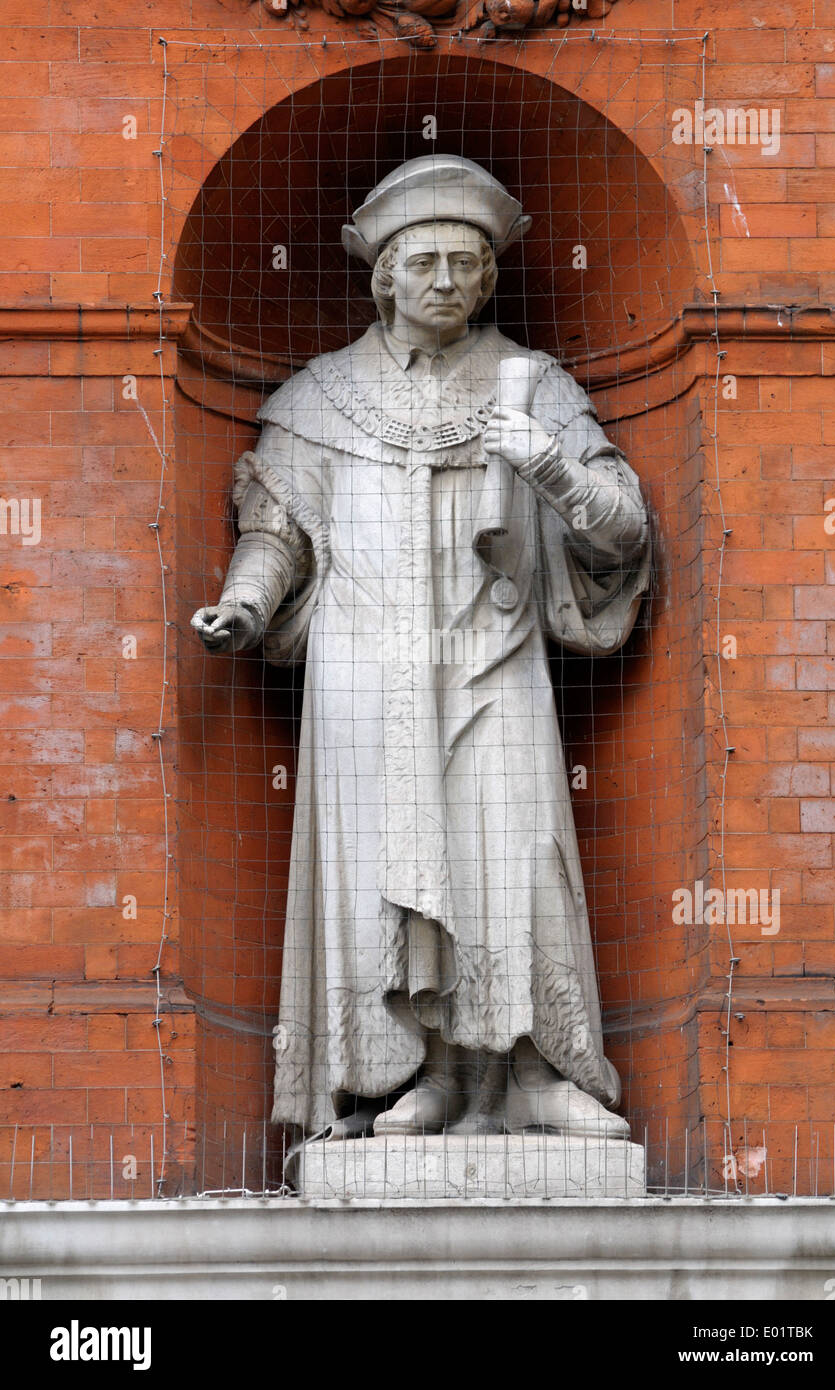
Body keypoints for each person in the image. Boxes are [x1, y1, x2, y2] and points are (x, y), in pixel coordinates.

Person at [192, 155, 650, 1140]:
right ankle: (424, 1077)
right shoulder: (321, 395)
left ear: (487, 282)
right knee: (388, 867)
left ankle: (534, 1073)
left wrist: (546, 464)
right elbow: (277, 531)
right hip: (364, 668)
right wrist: (242, 603)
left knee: (516, 853)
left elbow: (622, 536)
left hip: (494, 655)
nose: (445, 280)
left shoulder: (536, 388)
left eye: (465, 264)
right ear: (383, 278)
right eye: (424, 262)